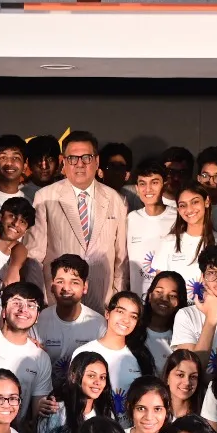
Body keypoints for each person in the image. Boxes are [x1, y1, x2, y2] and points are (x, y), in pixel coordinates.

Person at [27, 130, 128, 308]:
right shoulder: (45, 197)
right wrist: (38, 302)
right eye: (73, 158)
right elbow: (34, 255)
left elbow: (121, 259)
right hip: (57, 301)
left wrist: (116, 302)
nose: (80, 164)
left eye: (86, 158)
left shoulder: (116, 199)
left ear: (97, 161)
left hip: (102, 302)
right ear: (63, 162)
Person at [73, 290, 154, 417]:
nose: (126, 320)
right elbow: (73, 396)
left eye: (133, 316)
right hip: (93, 427)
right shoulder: (84, 352)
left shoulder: (141, 356)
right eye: (120, 312)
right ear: (107, 313)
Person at [35, 254, 105, 385]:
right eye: (60, 281)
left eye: (74, 282)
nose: (66, 288)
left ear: (85, 287)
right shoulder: (40, 319)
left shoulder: (98, 323)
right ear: (51, 286)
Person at [153, 188, 217, 311]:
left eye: (195, 202)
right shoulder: (168, 242)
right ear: (178, 209)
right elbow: (160, 288)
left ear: (207, 201)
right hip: (176, 315)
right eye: (183, 205)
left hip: (213, 315)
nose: (189, 209)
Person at [0, 282, 54, 423]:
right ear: (3, 311)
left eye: (31, 305)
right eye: (16, 303)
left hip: (14, 432)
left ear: (37, 316)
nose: (23, 309)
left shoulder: (41, 357)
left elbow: (37, 409)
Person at [37, 349, 112, 433]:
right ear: (73, 376)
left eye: (102, 377)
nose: (98, 382)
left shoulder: (106, 412)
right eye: (91, 376)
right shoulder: (56, 409)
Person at [127, 160, 178, 298]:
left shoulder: (178, 217)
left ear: (164, 185)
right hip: (137, 301)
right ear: (137, 188)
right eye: (143, 183)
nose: (148, 189)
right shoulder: (131, 219)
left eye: (154, 182)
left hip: (168, 301)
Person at [142, 270, 183, 369]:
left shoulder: (182, 337)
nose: (164, 299)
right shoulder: (133, 329)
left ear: (178, 301)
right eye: (159, 292)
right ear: (150, 296)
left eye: (172, 295)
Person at [162, 347, 206, 423]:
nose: (187, 382)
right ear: (167, 378)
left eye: (193, 377)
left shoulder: (205, 415)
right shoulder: (155, 413)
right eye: (180, 375)